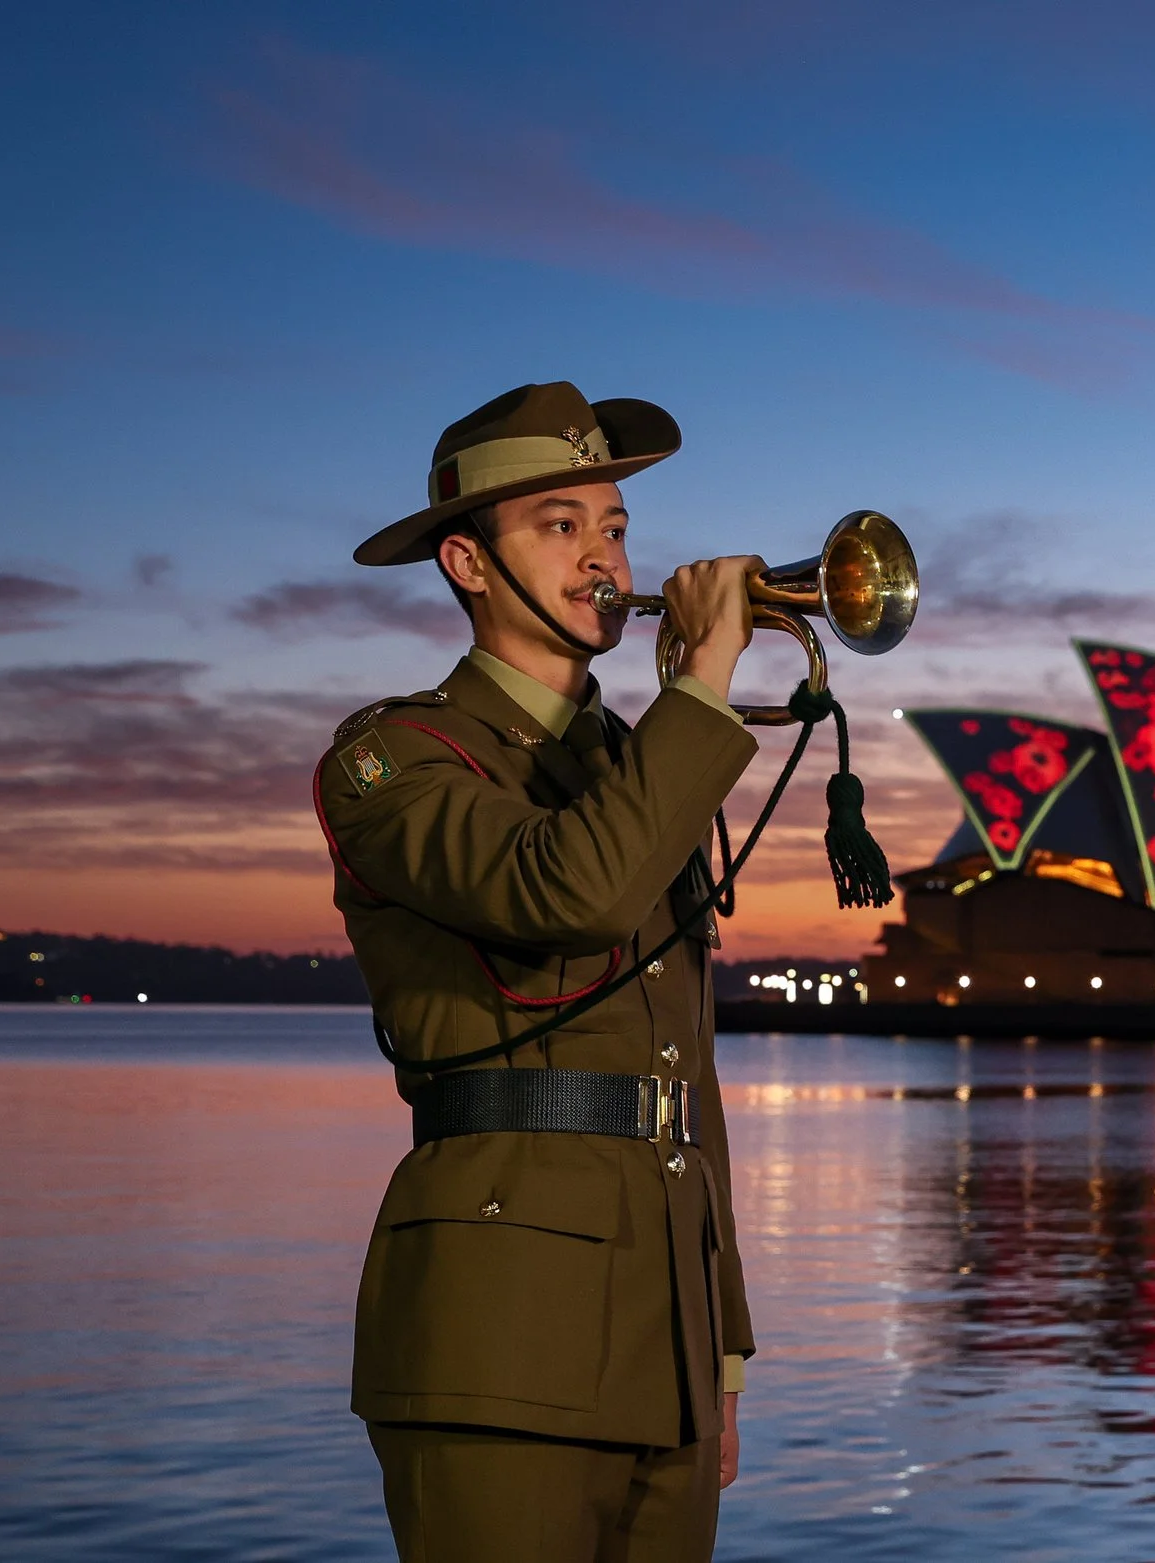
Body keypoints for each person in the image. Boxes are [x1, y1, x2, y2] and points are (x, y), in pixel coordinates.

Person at [316, 382, 761, 1562]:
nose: (603, 557)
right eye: (558, 525)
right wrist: (701, 688)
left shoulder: (634, 764)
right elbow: (566, 894)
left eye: (611, 526)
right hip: (493, 1333)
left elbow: (683, 1069)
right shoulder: (395, 759)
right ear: (466, 561)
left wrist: (719, 1347)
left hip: (663, 1336)